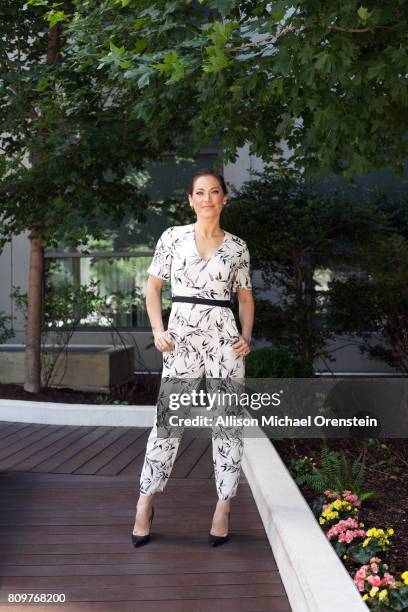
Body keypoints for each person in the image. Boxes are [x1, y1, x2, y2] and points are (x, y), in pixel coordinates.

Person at [131, 168, 255, 547]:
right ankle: (144, 503)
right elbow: (153, 289)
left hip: (224, 337)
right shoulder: (172, 237)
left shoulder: (237, 247)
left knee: (227, 423)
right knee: (167, 421)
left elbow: (245, 298)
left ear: (224, 199)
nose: (206, 198)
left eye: (214, 192)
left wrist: (246, 336)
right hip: (180, 336)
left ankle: (223, 506)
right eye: (199, 192)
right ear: (190, 199)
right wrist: (157, 330)